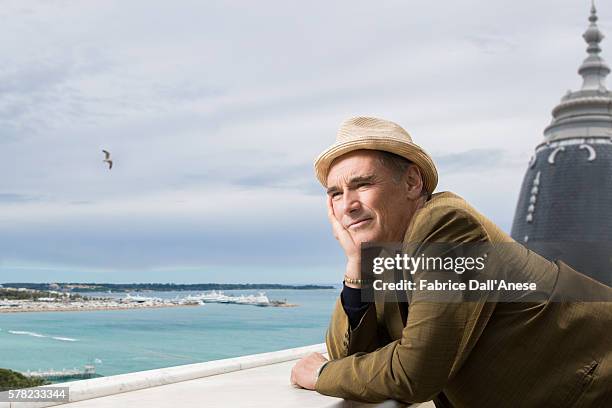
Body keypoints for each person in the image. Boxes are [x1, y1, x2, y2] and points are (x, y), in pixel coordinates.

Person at [290, 116, 612, 407]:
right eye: (335, 193)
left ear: (412, 183)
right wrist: (356, 268)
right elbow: (351, 358)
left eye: (362, 184)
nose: (347, 205)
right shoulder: (387, 256)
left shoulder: (446, 226)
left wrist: (321, 374)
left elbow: (414, 373)